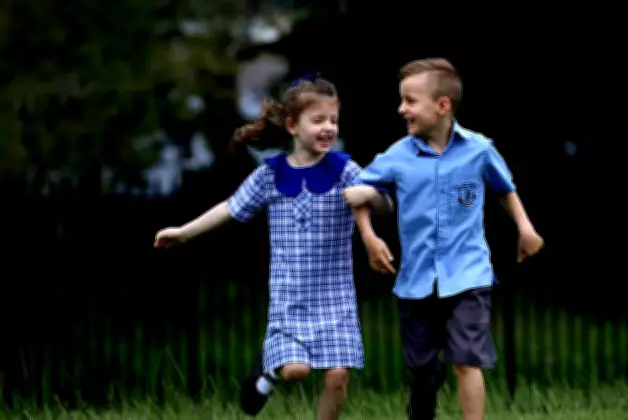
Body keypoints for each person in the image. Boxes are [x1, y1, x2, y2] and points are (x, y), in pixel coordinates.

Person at [154, 75, 392, 420]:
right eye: (319, 120)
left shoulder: (345, 169)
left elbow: (385, 204)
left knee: (338, 376)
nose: (328, 128)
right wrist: (184, 233)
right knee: (296, 371)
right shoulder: (270, 175)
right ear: (293, 125)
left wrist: (370, 195)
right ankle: (266, 373)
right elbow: (230, 207)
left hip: (335, 295)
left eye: (334, 120)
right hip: (290, 296)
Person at [342, 58, 544, 420]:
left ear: (443, 105)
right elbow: (359, 193)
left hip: (468, 274)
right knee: (421, 368)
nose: (401, 108)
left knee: (466, 360)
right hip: (416, 279)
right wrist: (370, 238)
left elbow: (504, 189)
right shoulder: (396, 155)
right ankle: (425, 390)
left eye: (410, 100)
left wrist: (525, 229)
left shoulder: (479, 149)